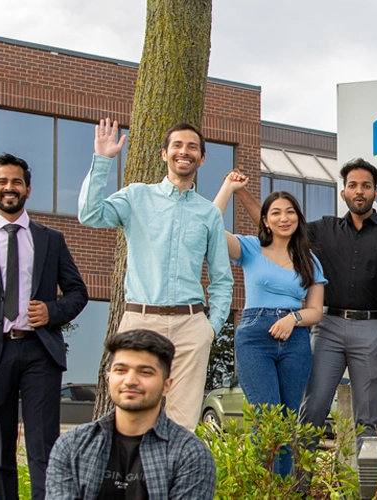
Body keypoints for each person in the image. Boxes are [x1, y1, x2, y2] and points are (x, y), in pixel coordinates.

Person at [0, 153, 90, 500]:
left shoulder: (50, 239)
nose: (10, 188)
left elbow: (78, 293)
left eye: (17, 182)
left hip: (40, 352)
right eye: (3, 182)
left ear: (28, 189)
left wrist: (52, 312)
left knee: (44, 450)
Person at [80, 119, 233, 430]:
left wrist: (210, 328)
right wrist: (103, 160)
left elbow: (221, 279)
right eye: (177, 145)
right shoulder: (136, 197)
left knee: (182, 424)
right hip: (140, 321)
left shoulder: (208, 214)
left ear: (202, 158)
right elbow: (90, 214)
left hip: (191, 328)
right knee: (132, 415)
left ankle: (169, 480)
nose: (184, 151)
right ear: (164, 154)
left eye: (192, 147)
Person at [211, 170, 325, 476]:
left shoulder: (310, 260)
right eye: (275, 213)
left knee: (287, 423)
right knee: (268, 422)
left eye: (290, 212)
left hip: (296, 341)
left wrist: (293, 318)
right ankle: (268, 489)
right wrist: (228, 188)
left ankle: (286, 490)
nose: (283, 218)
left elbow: (316, 310)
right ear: (265, 220)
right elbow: (208, 228)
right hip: (255, 338)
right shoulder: (249, 248)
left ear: (299, 219)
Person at [295, 159, 377, 439]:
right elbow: (278, 229)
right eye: (353, 185)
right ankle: (298, 485)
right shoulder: (323, 229)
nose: (359, 191)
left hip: (372, 329)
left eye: (366, 186)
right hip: (328, 328)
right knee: (311, 413)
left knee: (368, 422)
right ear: (343, 193)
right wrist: (240, 193)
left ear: (375, 193)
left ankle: (367, 485)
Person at [46, 329, 215, 500]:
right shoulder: (72, 446)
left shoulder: (190, 454)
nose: (130, 381)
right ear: (108, 378)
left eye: (145, 372)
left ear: (166, 385)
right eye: (121, 370)